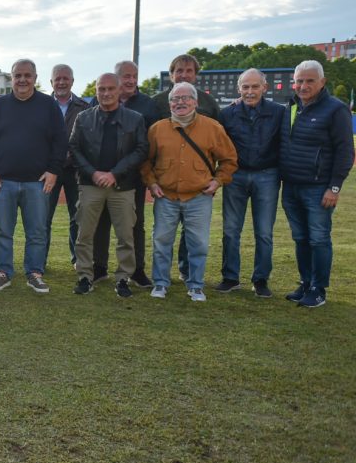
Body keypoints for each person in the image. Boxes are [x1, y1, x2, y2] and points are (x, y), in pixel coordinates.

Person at [141, 82, 237, 302]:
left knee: (198, 244)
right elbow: (146, 161)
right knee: (161, 241)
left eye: (185, 98)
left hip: (198, 197)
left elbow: (229, 160)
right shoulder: (157, 129)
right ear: (169, 104)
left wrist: (217, 182)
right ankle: (160, 282)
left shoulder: (213, 128)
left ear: (195, 102)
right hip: (166, 196)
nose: (180, 102)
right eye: (175, 99)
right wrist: (152, 183)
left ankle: (195, 285)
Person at [0, 59, 66, 293]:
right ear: (12, 77)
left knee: (37, 232)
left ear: (35, 78)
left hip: (37, 183)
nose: (23, 80)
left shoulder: (48, 105)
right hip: (3, 182)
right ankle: (3, 272)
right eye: (18, 75)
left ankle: (34, 273)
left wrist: (53, 171)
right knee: (2, 231)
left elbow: (60, 141)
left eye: (27, 75)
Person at [279, 60, 355, 308]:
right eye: (299, 81)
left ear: (322, 82)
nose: (303, 86)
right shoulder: (291, 107)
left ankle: (318, 289)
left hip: (318, 188)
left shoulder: (336, 109)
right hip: (291, 186)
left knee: (319, 239)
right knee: (300, 238)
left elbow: (345, 151)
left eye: (310, 81)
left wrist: (334, 187)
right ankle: (305, 283)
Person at [68, 73, 148, 298]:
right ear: (96, 90)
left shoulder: (135, 118)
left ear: (119, 90)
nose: (106, 93)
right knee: (84, 234)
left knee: (125, 236)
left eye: (111, 88)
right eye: (101, 89)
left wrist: (114, 173)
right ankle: (85, 275)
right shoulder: (83, 118)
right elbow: (74, 148)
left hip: (122, 185)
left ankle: (123, 278)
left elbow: (141, 149)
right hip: (90, 184)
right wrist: (93, 173)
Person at [215, 68, 286, 297]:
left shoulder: (279, 112)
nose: (250, 91)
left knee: (264, 231)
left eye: (255, 86)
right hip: (236, 176)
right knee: (231, 230)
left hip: (267, 175)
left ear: (264, 87)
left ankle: (261, 279)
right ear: (239, 89)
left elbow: (285, 144)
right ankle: (230, 277)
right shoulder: (227, 114)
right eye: (245, 87)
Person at [93, 60, 159, 287]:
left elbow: (148, 144)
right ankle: (99, 267)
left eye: (134, 76)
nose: (131, 80)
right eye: (125, 76)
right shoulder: (97, 101)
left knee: (134, 224)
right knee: (101, 222)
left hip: (132, 176)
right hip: (101, 176)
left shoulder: (147, 105)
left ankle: (136, 269)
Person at [45, 63, 90, 269]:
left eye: (65, 78)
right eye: (58, 79)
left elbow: (87, 140)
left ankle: (77, 259)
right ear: (51, 82)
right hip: (47, 171)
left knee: (77, 216)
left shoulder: (84, 107)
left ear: (72, 81)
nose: (61, 82)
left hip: (75, 171)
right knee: (43, 218)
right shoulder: (42, 106)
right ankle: (39, 260)